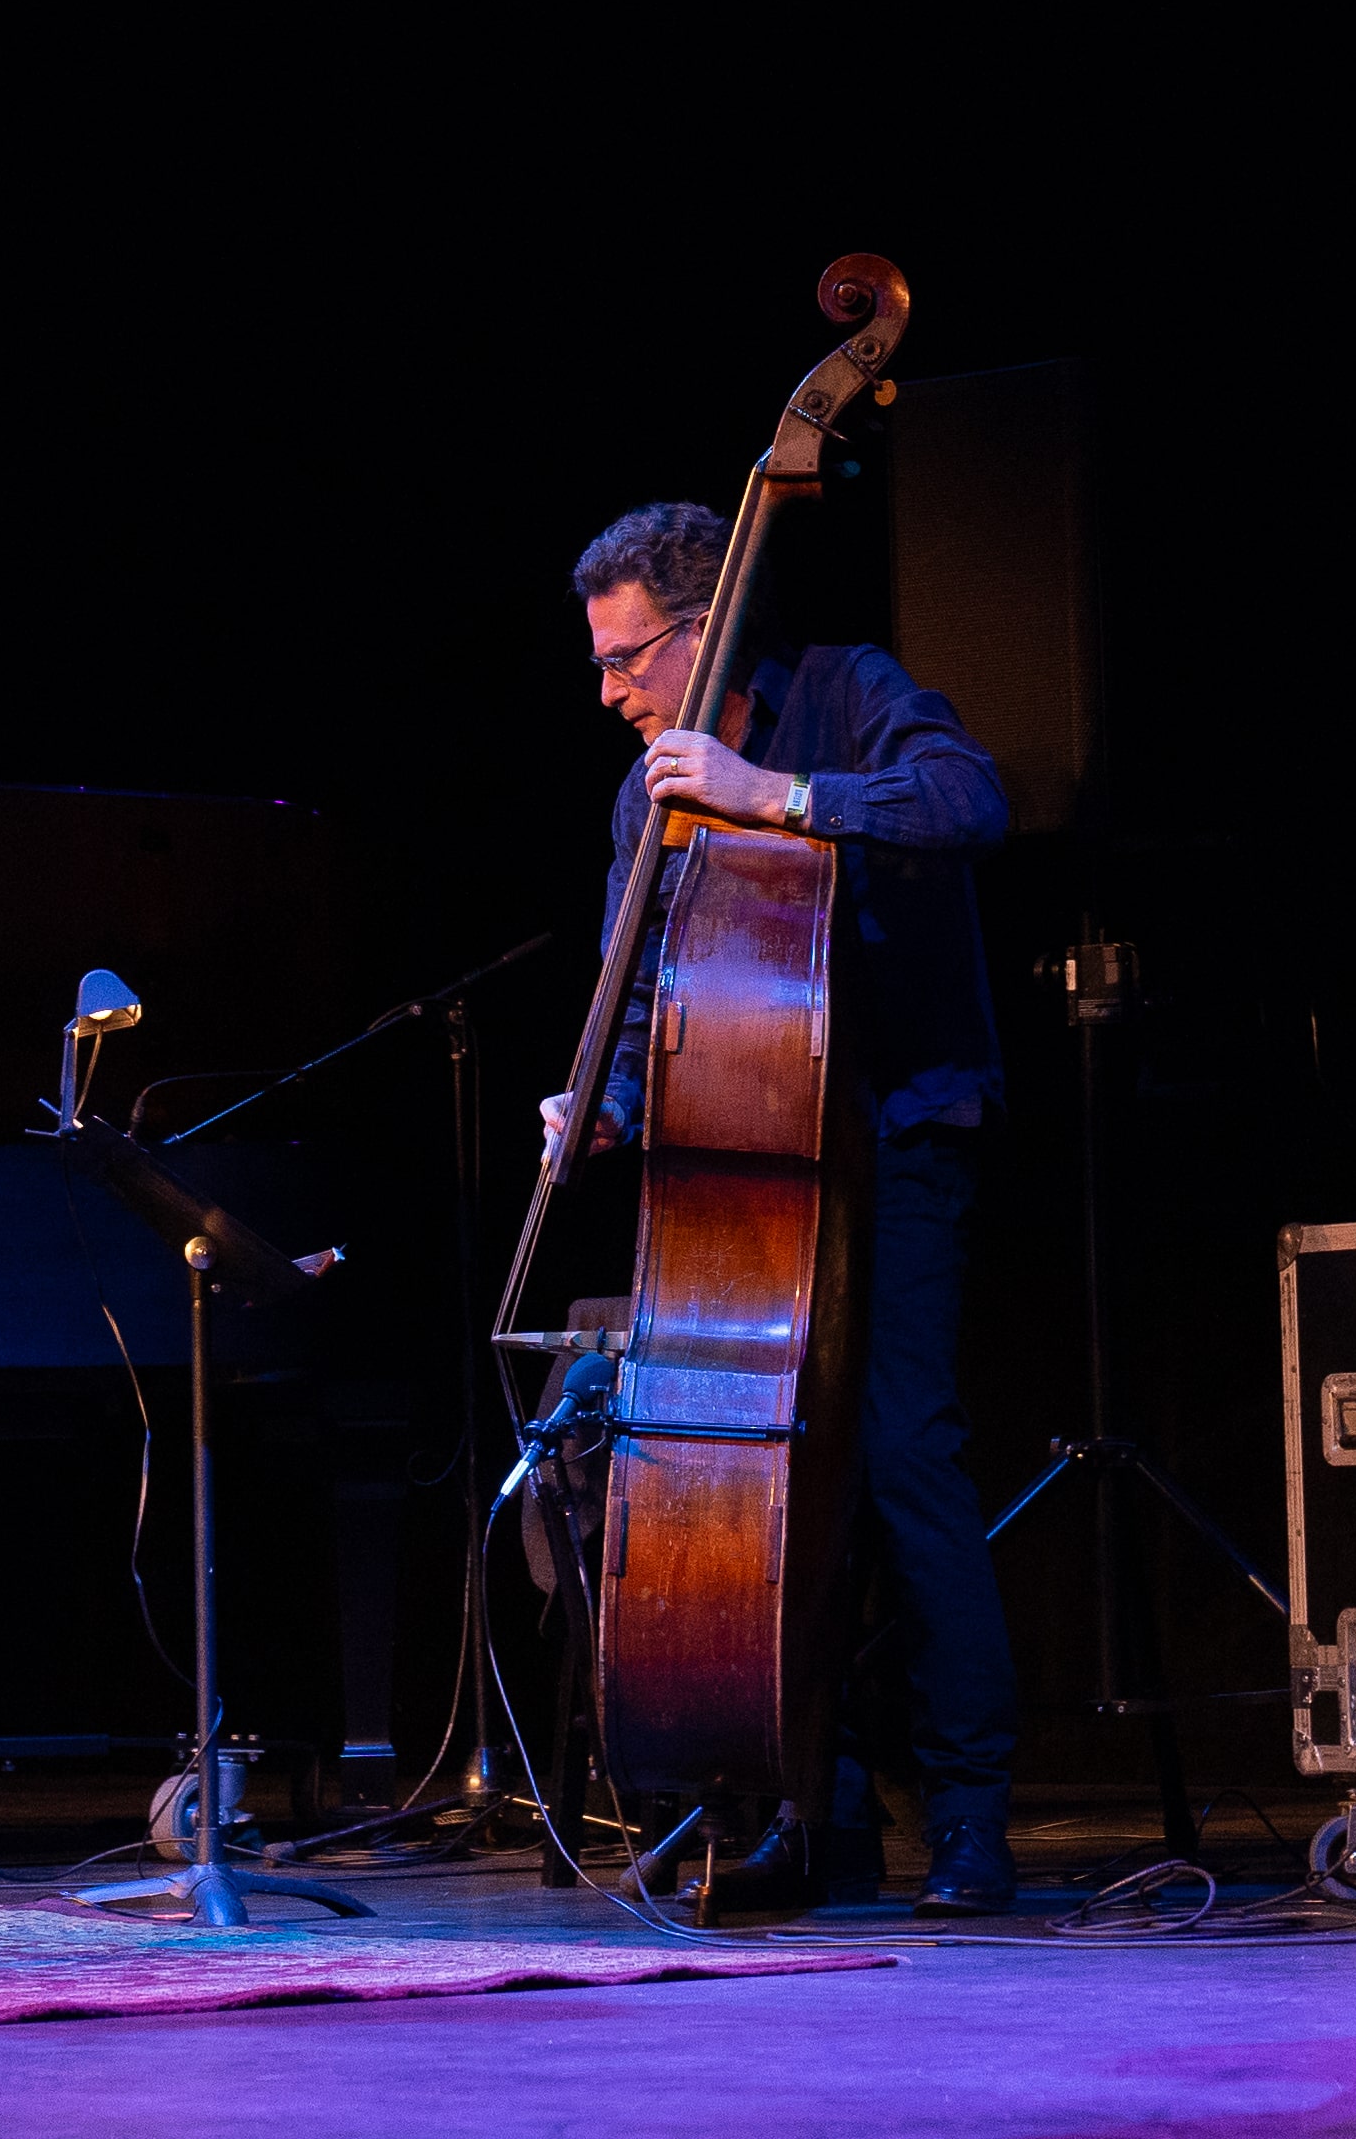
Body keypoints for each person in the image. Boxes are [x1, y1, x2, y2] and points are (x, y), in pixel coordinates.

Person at [557, 501, 1020, 1913]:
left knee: (901, 1458)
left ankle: (970, 1822)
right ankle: (806, 1816)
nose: (611, 690)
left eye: (631, 656)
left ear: (705, 635)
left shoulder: (846, 693)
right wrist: (604, 1102)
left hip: (906, 1125)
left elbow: (971, 799)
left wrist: (784, 796)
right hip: (755, 1156)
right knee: (775, 1474)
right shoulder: (648, 793)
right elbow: (645, 991)